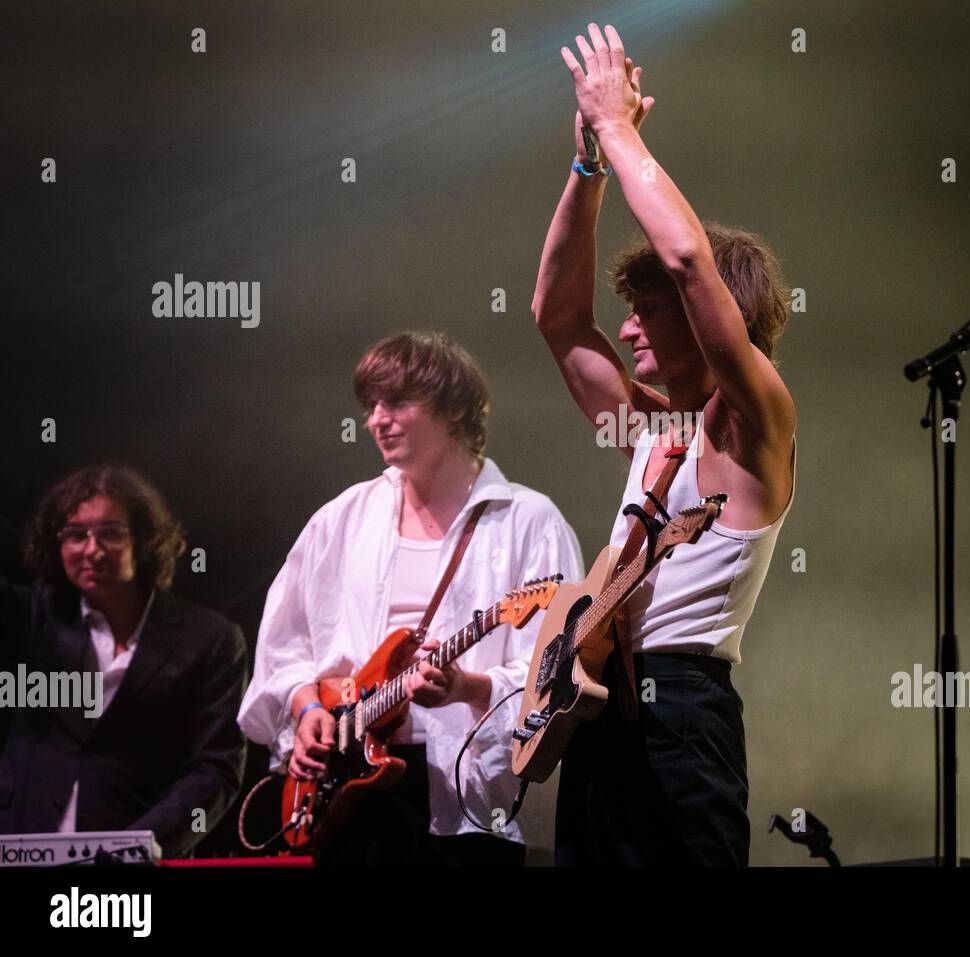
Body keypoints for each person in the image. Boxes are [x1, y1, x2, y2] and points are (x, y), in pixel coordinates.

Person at [532, 23, 797, 865]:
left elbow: (688, 260)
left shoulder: (754, 422)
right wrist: (587, 166)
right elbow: (558, 319)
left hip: (684, 710)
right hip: (598, 705)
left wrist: (618, 125)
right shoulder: (654, 431)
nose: (628, 327)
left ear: (707, 320)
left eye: (647, 311)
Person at [237, 331, 583, 866]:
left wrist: (467, 686)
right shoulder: (340, 519)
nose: (377, 418)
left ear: (452, 408)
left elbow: (559, 672)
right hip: (349, 793)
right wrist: (306, 709)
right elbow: (285, 646)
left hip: (467, 796)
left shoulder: (529, 522)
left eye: (397, 402)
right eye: (371, 405)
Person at [0, 465, 247, 857]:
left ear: (145, 541)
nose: (92, 550)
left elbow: (215, 769)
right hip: (20, 844)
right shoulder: (29, 614)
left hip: (140, 860)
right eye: (75, 534)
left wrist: (134, 847)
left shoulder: (211, 639)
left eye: (111, 533)